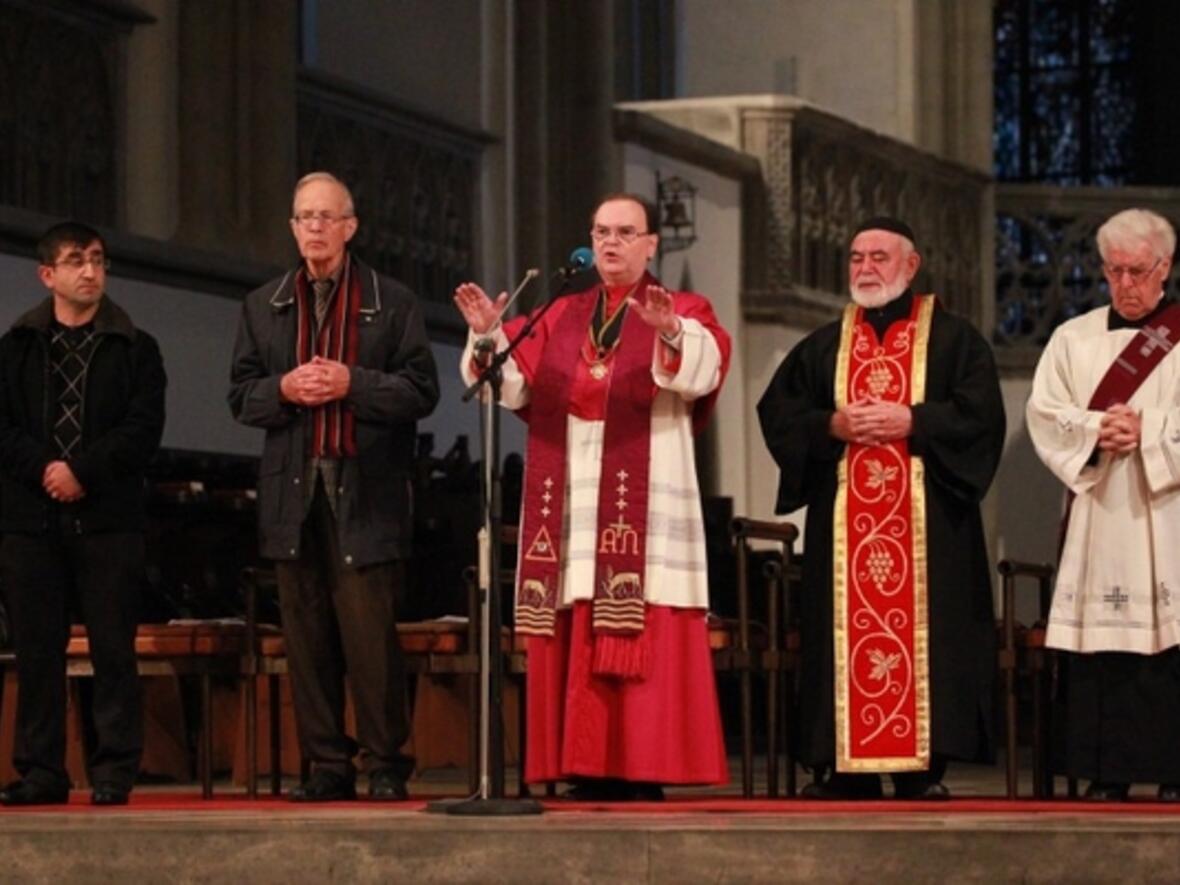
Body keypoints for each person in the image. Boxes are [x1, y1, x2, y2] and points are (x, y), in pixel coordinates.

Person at [453, 193, 731, 799]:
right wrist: (488, 336)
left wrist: (671, 333)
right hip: (573, 500)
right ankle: (579, 763)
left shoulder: (682, 305)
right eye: (602, 231)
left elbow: (703, 370)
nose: (612, 242)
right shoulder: (563, 312)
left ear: (651, 243)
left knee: (637, 623)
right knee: (573, 614)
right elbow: (514, 385)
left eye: (627, 232)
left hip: (646, 497)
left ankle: (641, 768)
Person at [757, 217, 1004, 799]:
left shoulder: (955, 341)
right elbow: (781, 415)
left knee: (931, 638)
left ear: (911, 266)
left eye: (879, 258)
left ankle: (921, 771)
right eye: (857, 258)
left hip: (928, 530)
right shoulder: (824, 346)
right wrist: (832, 425)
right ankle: (841, 768)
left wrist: (915, 420)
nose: (866, 269)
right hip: (845, 531)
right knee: (838, 636)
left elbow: (982, 418)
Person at [229, 172, 439, 801]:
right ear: (292, 229)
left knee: (369, 637)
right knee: (307, 634)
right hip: (292, 490)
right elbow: (241, 396)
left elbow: (421, 391)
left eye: (327, 217)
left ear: (351, 227)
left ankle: (384, 764)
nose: (314, 228)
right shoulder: (263, 304)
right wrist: (284, 390)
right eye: (304, 218)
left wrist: (355, 383)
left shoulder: (391, 300)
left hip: (364, 487)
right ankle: (326, 764)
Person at [0, 222, 166, 806]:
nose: (90, 271)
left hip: (108, 519)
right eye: (76, 261)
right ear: (48, 274)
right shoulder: (16, 346)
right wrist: (46, 468)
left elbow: (142, 431)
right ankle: (41, 771)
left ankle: (114, 768)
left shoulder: (135, 347)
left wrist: (82, 472)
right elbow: (2, 428)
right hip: (30, 519)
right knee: (37, 651)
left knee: (111, 648)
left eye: (98, 259)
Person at [1026, 208, 1180, 802]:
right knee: (1103, 646)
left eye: (1137, 271)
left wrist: (1152, 429)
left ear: (1163, 267)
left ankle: (1174, 774)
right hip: (1101, 512)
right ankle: (1106, 774)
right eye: (1113, 271)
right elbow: (1044, 412)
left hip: (1166, 515)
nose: (1125, 284)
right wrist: (1096, 430)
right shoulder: (1075, 337)